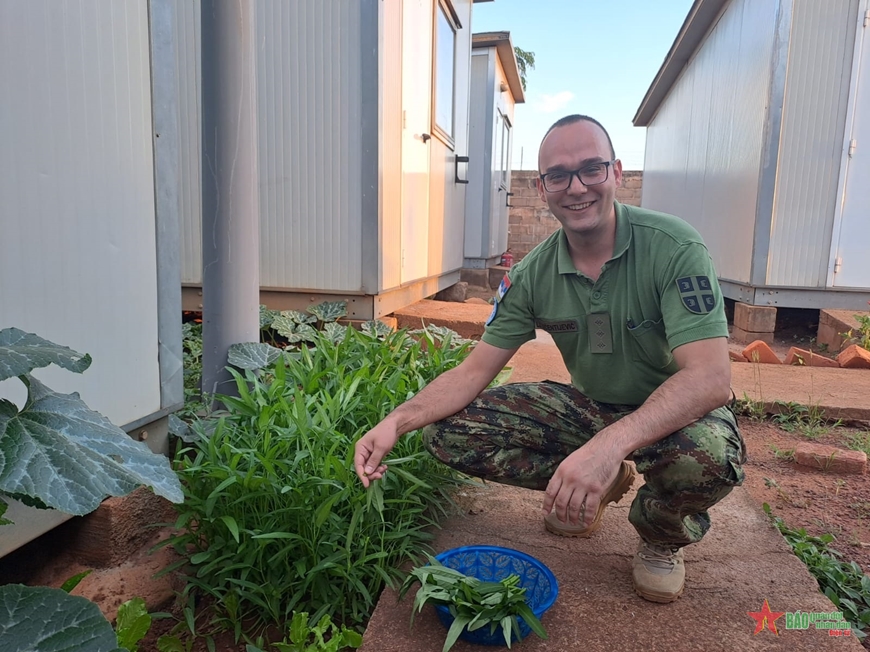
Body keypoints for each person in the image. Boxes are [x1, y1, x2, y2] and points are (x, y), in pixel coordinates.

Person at [354, 114, 746, 604]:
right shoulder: (531, 274)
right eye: (558, 175)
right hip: (592, 405)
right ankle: (589, 486)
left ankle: (660, 536)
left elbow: (711, 378)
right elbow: (473, 372)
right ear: (542, 188)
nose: (576, 187)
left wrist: (607, 447)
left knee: (708, 458)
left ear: (617, 172)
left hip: (676, 415)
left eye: (591, 169)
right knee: (449, 433)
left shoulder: (673, 247)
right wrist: (396, 421)